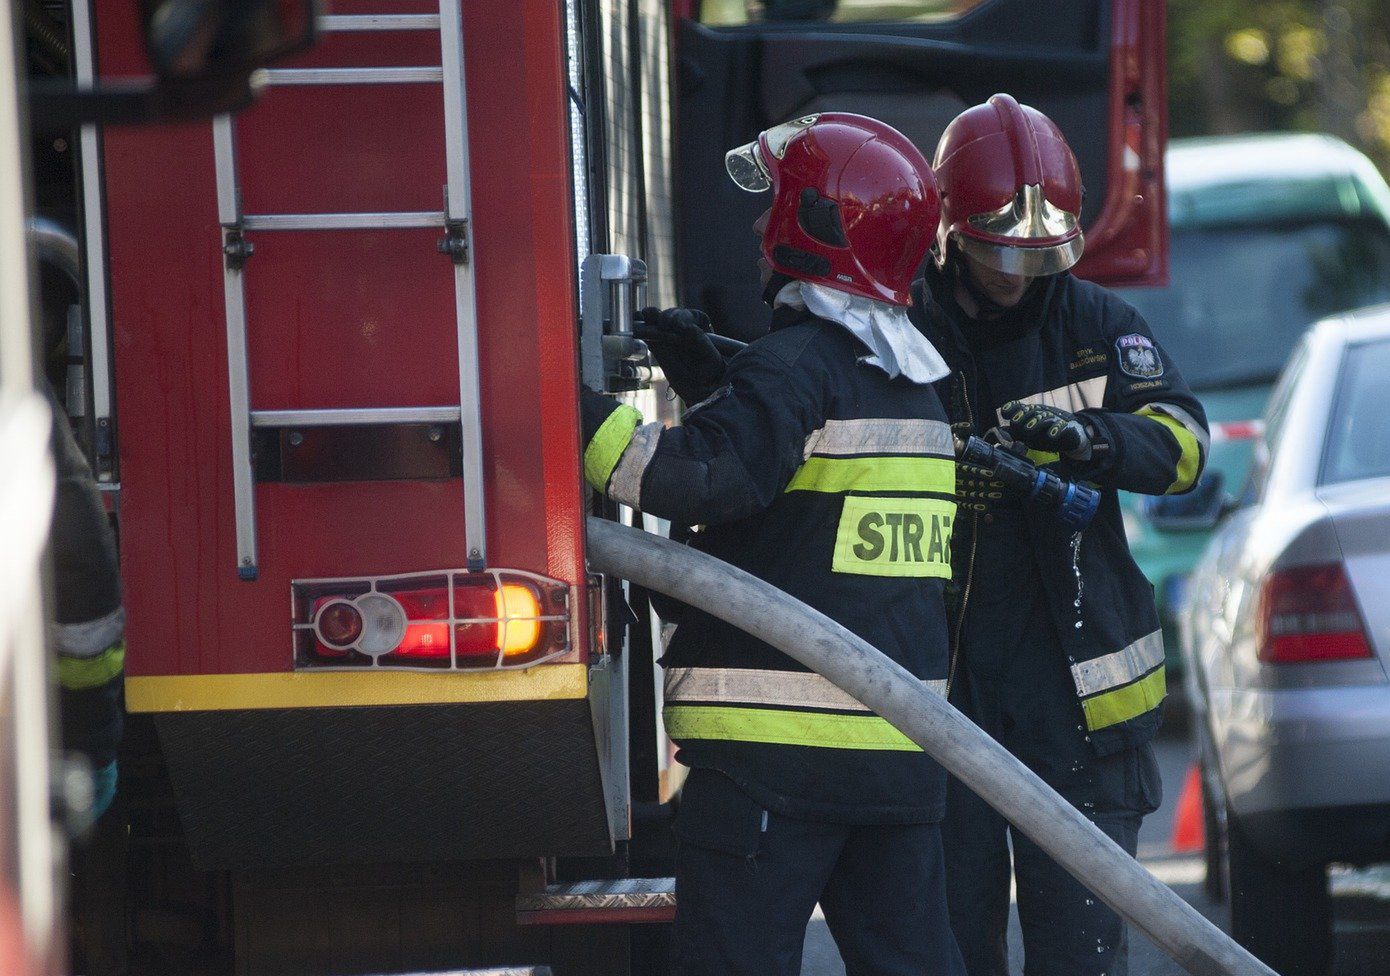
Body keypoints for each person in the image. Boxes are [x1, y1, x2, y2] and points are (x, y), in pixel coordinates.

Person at [581, 113, 964, 976]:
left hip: (771, 766)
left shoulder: (792, 370)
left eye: (778, 208)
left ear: (817, 228)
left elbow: (695, 479)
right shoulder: (914, 392)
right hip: (897, 765)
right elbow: (805, 502)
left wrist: (562, 411)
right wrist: (720, 381)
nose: (760, 228)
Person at [910, 93, 1209, 976]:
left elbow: (1185, 446)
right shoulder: (903, 334)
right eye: (1000, 249)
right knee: (951, 955)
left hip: (1080, 712)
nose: (1016, 273)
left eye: (1037, 254)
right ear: (951, 230)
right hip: (943, 697)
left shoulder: (1099, 328)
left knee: (1080, 952)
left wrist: (1096, 440)